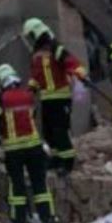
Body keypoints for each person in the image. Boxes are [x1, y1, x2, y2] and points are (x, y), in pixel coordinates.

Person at [0, 64, 60, 223]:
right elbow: (32, 116)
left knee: (17, 186)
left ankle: (18, 220)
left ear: (2, 80)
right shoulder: (28, 95)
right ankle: (48, 217)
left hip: (14, 151)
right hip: (34, 147)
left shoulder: (0, 99)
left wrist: (3, 132)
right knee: (40, 183)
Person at [23, 17, 87, 173]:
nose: (31, 40)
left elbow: (70, 61)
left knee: (60, 132)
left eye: (31, 36)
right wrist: (30, 89)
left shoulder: (55, 47)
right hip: (46, 99)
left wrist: (78, 72)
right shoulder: (36, 55)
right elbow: (36, 76)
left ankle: (68, 162)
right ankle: (56, 158)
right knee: (49, 132)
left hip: (61, 97)